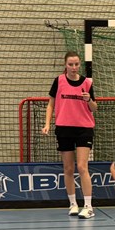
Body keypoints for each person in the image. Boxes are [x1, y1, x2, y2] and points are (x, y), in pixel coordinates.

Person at [41, 51, 98, 219]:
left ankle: (88, 206)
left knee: (82, 167)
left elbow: (94, 108)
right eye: (70, 64)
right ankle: (73, 204)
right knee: (68, 168)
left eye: (76, 64)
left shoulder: (87, 83)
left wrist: (89, 100)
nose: (74, 67)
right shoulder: (59, 81)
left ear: (80, 65)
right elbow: (51, 105)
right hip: (64, 128)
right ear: (65, 65)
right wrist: (47, 124)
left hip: (84, 129)